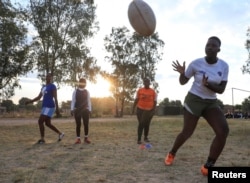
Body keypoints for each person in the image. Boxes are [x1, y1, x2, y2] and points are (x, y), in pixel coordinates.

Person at [165, 36, 229, 176]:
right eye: (208, 45)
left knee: (223, 131)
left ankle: (208, 165)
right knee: (187, 132)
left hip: (211, 101)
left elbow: (221, 89)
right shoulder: (196, 63)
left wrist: (208, 84)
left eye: (213, 45)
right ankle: (172, 153)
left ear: (219, 49)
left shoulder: (224, 66)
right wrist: (182, 73)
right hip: (194, 99)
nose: (210, 47)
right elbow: (183, 82)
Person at [25, 73, 64, 144]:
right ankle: (60, 134)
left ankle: (42, 139)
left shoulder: (53, 86)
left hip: (50, 106)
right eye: (47, 76)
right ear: (45, 78)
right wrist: (30, 101)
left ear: (51, 78)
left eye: (50, 77)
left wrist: (57, 109)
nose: (48, 78)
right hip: (44, 107)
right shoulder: (43, 87)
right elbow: (39, 97)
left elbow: (55, 97)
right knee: (48, 123)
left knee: (40, 121)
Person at [132, 78, 157, 144]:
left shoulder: (153, 91)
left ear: (149, 83)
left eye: (148, 82)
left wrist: (154, 110)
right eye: (145, 82)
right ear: (143, 83)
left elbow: (155, 101)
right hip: (140, 109)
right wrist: (133, 108)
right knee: (141, 123)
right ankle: (140, 139)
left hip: (149, 110)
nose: (146, 83)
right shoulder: (140, 90)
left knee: (146, 124)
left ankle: (143, 138)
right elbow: (136, 99)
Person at [71, 78, 92, 144]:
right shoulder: (75, 91)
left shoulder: (87, 91)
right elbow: (73, 101)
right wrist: (72, 109)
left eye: (85, 82)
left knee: (86, 124)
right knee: (78, 124)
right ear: (79, 83)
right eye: (82, 82)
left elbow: (89, 101)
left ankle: (86, 138)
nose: (84, 84)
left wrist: (90, 109)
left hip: (85, 110)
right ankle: (78, 139)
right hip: (77, 110)